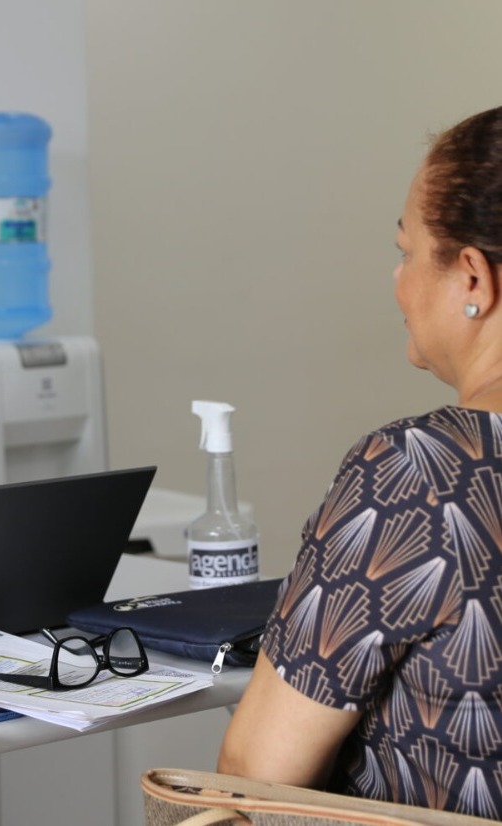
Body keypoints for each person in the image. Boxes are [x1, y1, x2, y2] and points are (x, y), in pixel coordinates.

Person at [219, 106, 502, 821]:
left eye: (407, 251)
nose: (398, 280)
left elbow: (253, 781)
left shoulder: (420, 473)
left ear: (473, 278)